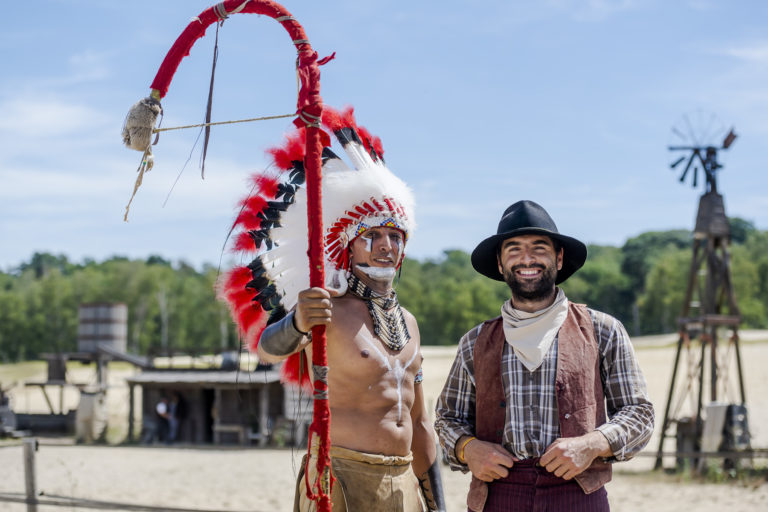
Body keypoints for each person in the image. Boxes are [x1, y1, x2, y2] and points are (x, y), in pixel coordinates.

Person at [221, 107, 445, 511]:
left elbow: (420, 423)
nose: (385, 245)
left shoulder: (408, 322)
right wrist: (298, 321)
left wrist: (438, 506)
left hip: (403, 481)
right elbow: (270, 349)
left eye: (395, 236)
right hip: (340, 479)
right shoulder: (326, 308)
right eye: (372, 235)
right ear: (348, 245)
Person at [435, 200, 654, 511]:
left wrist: (591, 445)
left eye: (539, 247)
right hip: (497, 496)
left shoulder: (603, 330)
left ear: (559, 257)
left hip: (578, 493)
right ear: (500, 263)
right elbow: (448, 419)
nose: (527, 258)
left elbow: (639, 413)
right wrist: (467, 449)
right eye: (513, 249)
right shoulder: (475, 341)